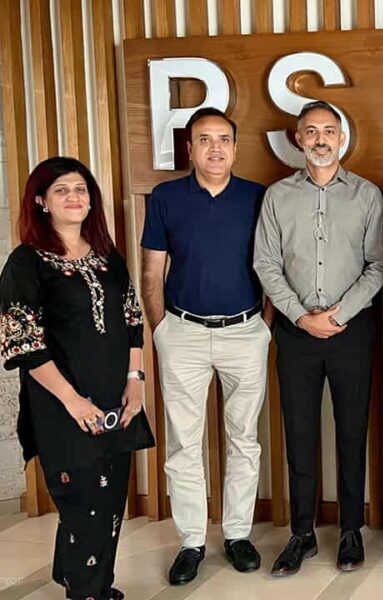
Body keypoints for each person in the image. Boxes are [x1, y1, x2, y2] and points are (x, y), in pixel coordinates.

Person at [0, 157, 154, 600]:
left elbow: (131, 321)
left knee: (109, 501)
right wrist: (73, 401)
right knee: (83, 500)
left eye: (81, 189)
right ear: (41, 201)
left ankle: (78, 576)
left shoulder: (106, 256)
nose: (74, 197)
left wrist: (135, 380)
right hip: (60, 404)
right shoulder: (27, 262)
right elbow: (24, 345)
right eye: (62, 190)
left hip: (115, 398)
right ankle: (90, 592)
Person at [254, 100, 383, 576]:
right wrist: (300, 316)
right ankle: (301, 534)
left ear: (341, 138)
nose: (320, 139)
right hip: (296, 334)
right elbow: (266, 263)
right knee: (300, 432)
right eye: (311, 131)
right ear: (298, 139)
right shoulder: (277, 196)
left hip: (352, 331)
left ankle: (351, 530)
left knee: (352, 433)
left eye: (329, 130)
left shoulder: (367, 195)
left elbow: (378, 266)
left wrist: (338, 313)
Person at [141, 107, 271, 585]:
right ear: (190, 148)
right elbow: (152, 271)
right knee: (183, 443)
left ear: (235, 148)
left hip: (245, 332)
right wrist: (161, 330)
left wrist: (264, 326)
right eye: (204, 139)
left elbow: (271, 267)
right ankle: (192, 541)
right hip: (183, 333)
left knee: (244, 440)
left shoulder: (258, 197)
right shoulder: (166, 198)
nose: (215, 148)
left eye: (223, 139)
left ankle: (237, 535)